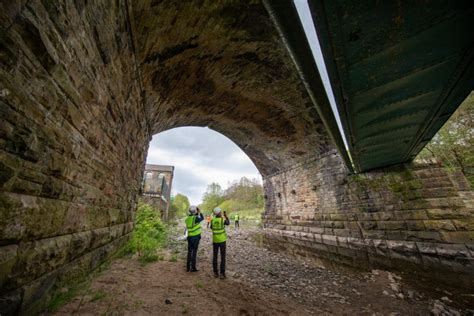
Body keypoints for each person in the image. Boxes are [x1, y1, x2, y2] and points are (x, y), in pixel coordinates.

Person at [210, 207, 229, 279]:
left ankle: (215, 272)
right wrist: (226, 216)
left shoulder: (212, 220)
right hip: (222, 240)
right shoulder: (222, 219)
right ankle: (222, 273)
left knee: (215, 257)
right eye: (220, 212)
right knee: (223, 257)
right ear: (219, 213)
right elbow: (228, 223)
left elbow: (211, 227)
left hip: (215, 240)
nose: (221, 213)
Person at [185, 205, 203, 272]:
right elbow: (202, 218)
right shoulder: (195, 218)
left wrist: (195, 212)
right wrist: (199, 212)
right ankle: (193, 267)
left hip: (189, 237)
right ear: (195, 211)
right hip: (195, 237)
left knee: (189, 252)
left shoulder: (187, 219)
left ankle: (188, 268)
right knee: (194, 252)